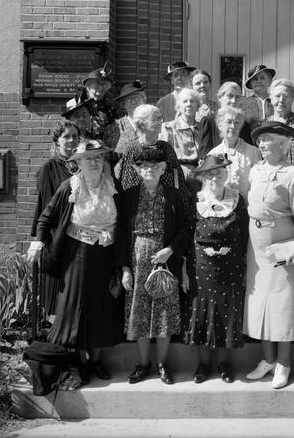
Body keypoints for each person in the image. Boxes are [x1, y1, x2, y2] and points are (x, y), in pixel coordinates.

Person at [27, 140, 127, 386]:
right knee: (79, 306)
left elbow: (124, 224)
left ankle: (97, 360)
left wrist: (123, 263)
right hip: (78, 255)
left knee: (103, 305)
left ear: (104, 161)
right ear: (78, 163)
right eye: (87, 158)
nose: (93, 162)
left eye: (97, 158)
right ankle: (81, 361)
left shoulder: (115, 186)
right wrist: (38, 243)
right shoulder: (69, 186)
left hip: (106, 254)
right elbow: (46, 218)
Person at [244, 122, 294, 389]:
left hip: (282, 243)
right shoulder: (255, 170)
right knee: (260, 304)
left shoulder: (292, 173)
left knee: (283, 306)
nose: (262, 144)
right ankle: (267, 359)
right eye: (260, 140)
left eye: (268, 140)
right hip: (256, 246)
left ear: (283, 144)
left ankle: (283, 363)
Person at [121, 147, 193, 385]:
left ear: (163, 169)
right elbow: (121, 233)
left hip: (166, 259)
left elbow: (185, 227)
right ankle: (143, 364)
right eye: (144, 167)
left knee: (163, 314)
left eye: (155, 167)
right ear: (137, 170)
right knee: (139, 314)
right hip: (137, 259)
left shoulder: (173, 195)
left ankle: (162, 363)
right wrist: (124, 269)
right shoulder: (129, 195)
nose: (149, 170)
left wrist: (170, 250)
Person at [185, 155, 249, 384]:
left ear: (226, 175)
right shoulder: (196, 201)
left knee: (225, 312)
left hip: (230, 267)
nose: (215, 177)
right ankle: (203, 365)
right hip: (201, 267)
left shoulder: (237, 200)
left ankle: (223, 364)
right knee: (202, 313)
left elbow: (244, 234)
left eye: (219, 173)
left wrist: (242, 263)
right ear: (202, 177)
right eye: (210, 174)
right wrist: (185, 268)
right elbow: (187, 235)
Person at [31, 121, 81, 317]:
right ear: (57, 141)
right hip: (56, 236)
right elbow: (46, 207)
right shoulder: (49, 168)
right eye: (66, 137)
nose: (71, 140)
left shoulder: (81, 165)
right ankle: (54, 337)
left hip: (79, 236)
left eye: (75, 136)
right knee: (56, 292)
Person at [118, 105, 188, 204]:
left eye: (160, 118)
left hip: (165, 205)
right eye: (155, 119)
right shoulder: (132, 149)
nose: (160, 122)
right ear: (142, 124)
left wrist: (180, 205)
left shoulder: (166, 147)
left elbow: (178, 180)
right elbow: (127, 183)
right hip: (139, 206)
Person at [207, 106, 261, 200]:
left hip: (247, 208)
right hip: (223, 209)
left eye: (236, 123)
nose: (233, 126)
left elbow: (259, 184)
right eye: (228, 122)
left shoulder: (253, 152)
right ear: (220, 126)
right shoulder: (213, 154)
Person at [197, 81, 252, 157]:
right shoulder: (209, 122)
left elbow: (249, 153)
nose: (233, 100)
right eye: (230, 96)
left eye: (237, 97)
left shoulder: (244, 124)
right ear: (220, 97)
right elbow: (203, 156)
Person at [159, 88, 202, 178]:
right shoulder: (169, 128)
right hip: (177, 176)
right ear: (178, 107)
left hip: (201, 176)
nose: (189, 104)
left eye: (192, 101)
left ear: (198, 106)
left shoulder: (203, 128)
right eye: (185, 101)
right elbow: (163, 158)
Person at [80, 65, 119, 149]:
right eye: (97, 84)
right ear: (88, 86)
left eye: (104, 85)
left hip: (102, 153)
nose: (101, 88)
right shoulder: (77, 107)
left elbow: (113, 135)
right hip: (80, 151)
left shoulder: (110, 110)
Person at [113, 80, 147, 159]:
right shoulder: (114, 127)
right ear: (123, 104)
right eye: (129, 99)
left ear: (144, 100)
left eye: (136, 97)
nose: (133, 102)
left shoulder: (154, 124)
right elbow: (108, 158)